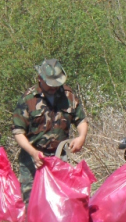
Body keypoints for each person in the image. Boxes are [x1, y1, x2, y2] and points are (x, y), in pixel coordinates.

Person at [11, 58, 88, 203]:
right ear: (40, 79)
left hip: (59, 157)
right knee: (33, 201)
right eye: (50, 83)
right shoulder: (28, 99)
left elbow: (81, 121)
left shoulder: (68, 95)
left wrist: (81, 137)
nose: (54, 87)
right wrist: (33, 153)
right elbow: (18, 131)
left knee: (60, 201)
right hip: (33, 158)